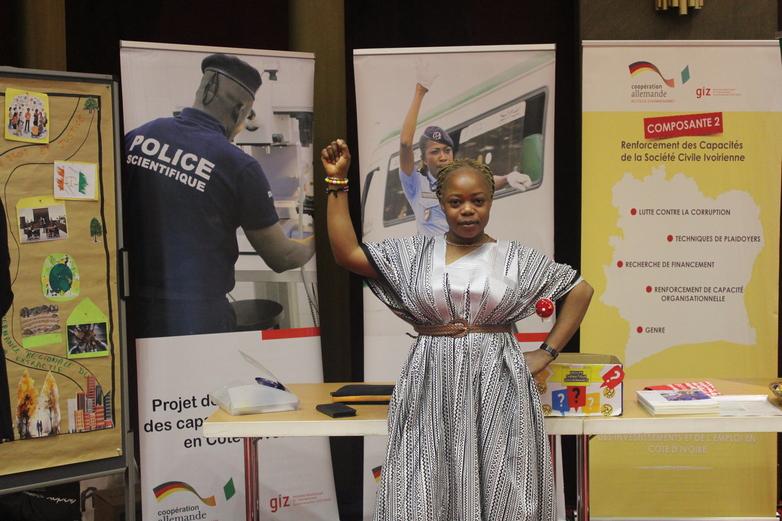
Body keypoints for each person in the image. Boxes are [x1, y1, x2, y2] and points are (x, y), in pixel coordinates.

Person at [323, 139, 592, 520]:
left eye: (478, 201)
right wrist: (337, 184)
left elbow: (579, 289)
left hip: (498, 385)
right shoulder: (414, 255)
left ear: (491, 201)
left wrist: (547, 351)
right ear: (441, 203)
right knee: (422, 480)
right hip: (431, 383)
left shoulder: (514, 258)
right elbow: (347, 254)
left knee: (505, 480)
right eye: (456, 202)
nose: (468, 211)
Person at [124, 54, 315, 337]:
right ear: (241, 112)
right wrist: (320, 238)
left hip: (133, 312)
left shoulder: (138, 137)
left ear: (201, 91)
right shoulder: (239, 166)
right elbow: (282, 257)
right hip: (197, 320)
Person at [398, 71, 534, 236]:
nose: (443, 156)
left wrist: (507, 178)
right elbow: (405, 143)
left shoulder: (459, 179)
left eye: (447, 150)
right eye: (435, 152)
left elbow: (484, 183)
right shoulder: (416, 184)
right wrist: (420, 92)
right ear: (424, 160)